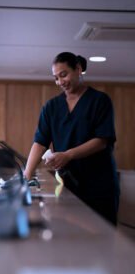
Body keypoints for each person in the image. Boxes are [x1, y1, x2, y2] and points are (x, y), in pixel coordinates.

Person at [24, 52, 120, 226]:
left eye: (64, 75)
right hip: (69, 185)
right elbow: (40, 141)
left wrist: (68, 155)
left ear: (78, 69)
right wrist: (26, 176)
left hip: (99, 184)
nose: (60, 82)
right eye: (56, 78)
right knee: (69, 239)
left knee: (101, 241)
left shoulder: (99, 101)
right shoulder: (51, 107)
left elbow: (102, 140)